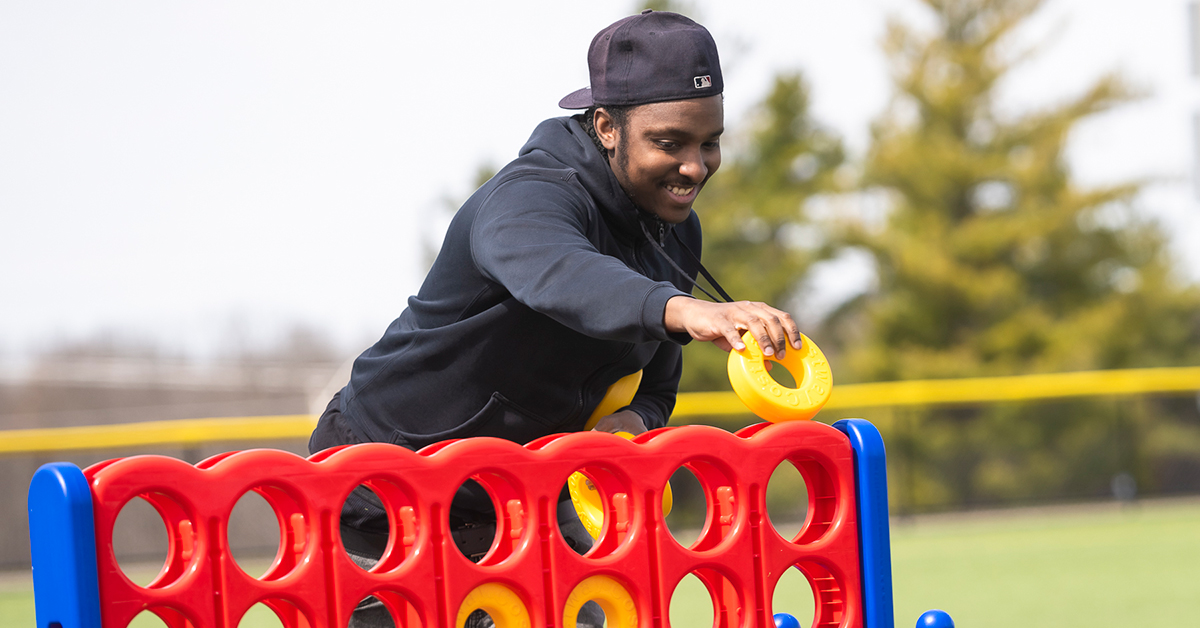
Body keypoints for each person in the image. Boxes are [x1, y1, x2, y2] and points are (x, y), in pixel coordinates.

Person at [308, 10, 803, 628]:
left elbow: (656, 386)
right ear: (606, 127)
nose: (696, 167)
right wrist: (683, 308)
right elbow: (561, 275)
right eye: (669, 143)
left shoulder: (674, 232)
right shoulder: (527, 196)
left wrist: (630, 422)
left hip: (529, 493)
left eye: (710, 143)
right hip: (387, 484)